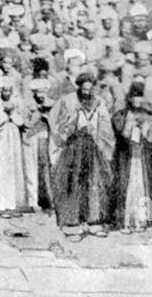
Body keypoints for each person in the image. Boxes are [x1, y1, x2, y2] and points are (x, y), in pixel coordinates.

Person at [49, 72, 115, 240]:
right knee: (73, 184)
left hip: (94, 148)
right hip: (73, 148)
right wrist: (66, 129)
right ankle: (72, 225)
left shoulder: (99, 102)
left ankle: (94, 222)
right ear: (79, 87)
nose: (86, 92)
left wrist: (105, 147)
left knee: (94, 184)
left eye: (89, 88)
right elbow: (55, 121)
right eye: (83, 88)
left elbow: (105, 126)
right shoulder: (67, 100)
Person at [112, 83, 152, 233]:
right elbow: (121, 133)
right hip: (127, 157)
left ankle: (142, 221)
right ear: (129, 98)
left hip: (142, 157)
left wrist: (145, 127)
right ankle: (125, 222)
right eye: (134, 97)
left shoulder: (148, 115)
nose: (137, 101)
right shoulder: (121, 114)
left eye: (139, 97)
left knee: (142, 188)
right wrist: (130, 125)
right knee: (126, 187)